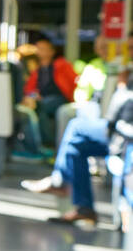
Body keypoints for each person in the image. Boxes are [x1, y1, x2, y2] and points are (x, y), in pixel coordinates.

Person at [20, 70, 133, 224]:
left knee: (77, 129)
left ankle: (62, 182)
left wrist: (123, 87)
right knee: (77, 145)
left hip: (125, 134)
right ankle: (81, 205)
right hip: (124, 132)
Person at [21, 34, 76, 147]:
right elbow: (29, 88)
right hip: (42, 99)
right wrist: (33, 95)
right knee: (33, 107)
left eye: (43, 49)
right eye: (38, 49)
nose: (39, 52)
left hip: (60, 98)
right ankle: (35, 144)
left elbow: (73, 82)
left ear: (51, 51)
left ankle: (47, 143)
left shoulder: (62, 65)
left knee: (41, 106)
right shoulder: (37, 70)